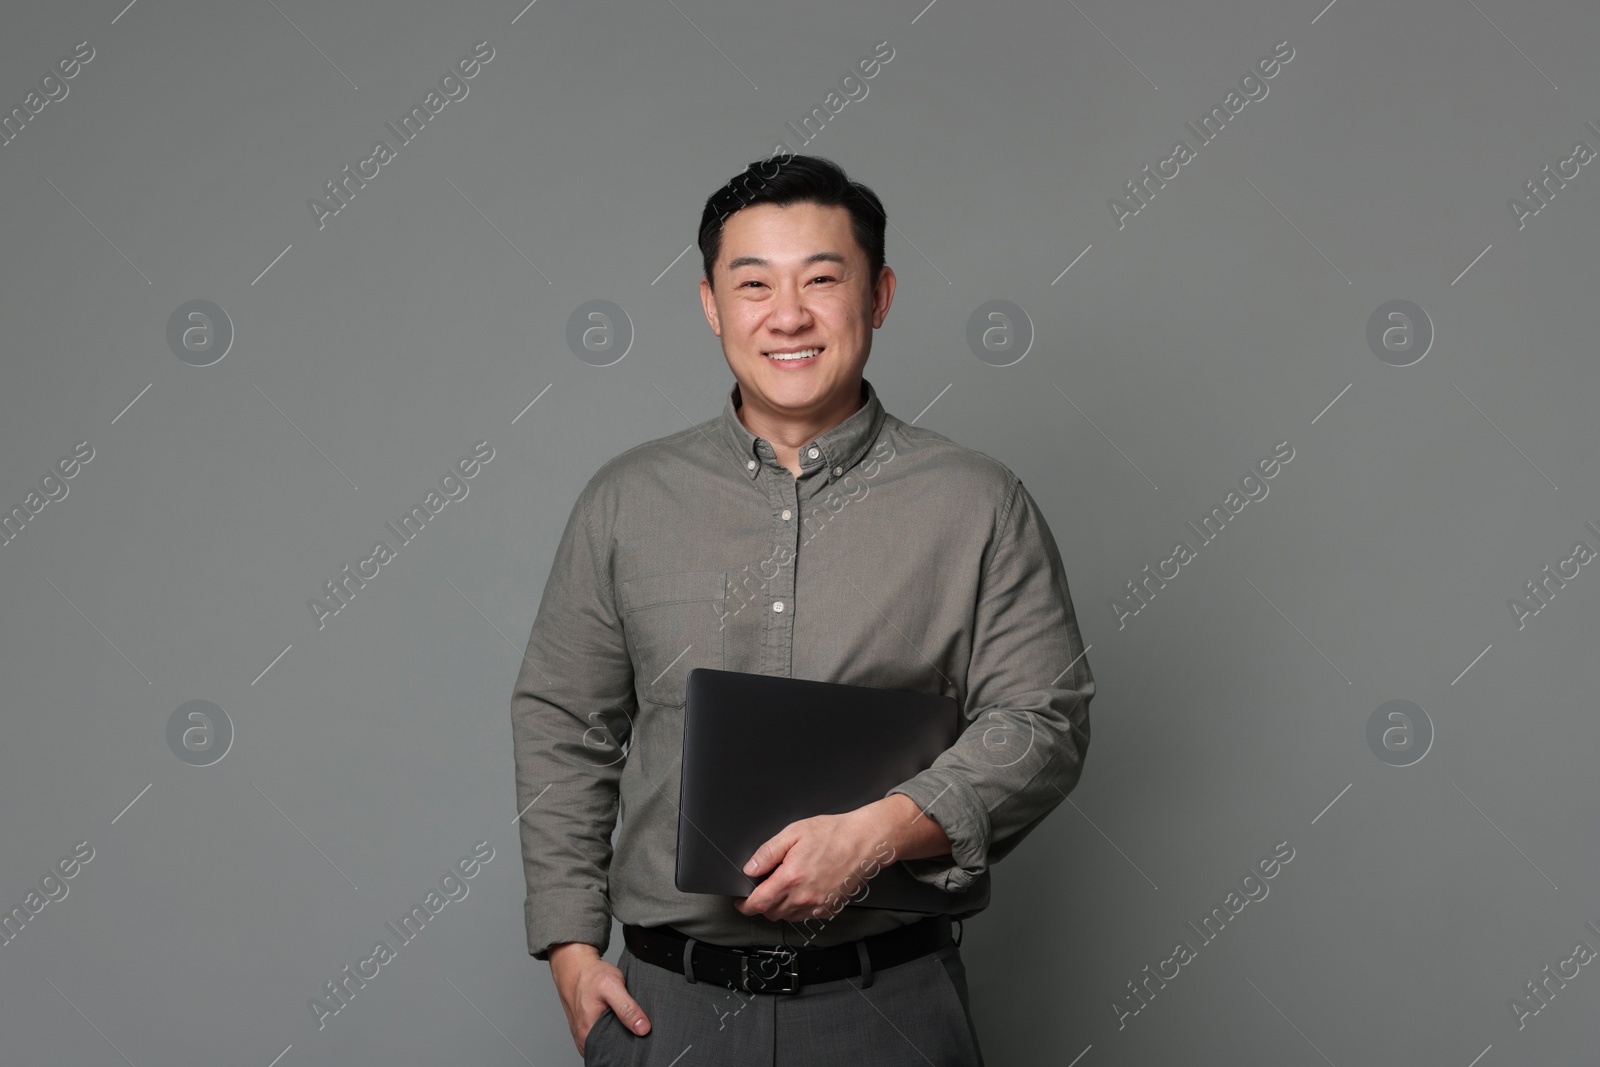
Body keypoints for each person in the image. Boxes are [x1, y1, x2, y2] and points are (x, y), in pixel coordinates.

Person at [509, 153, 1095, 1066]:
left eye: (823, 279)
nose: (788, 315)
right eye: (753, 284)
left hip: (889, 1009)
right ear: (711, 304)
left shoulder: (978, 502)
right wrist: (573, 953)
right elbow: (563, 720)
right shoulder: (626, 499)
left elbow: (1043, 722)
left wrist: (877, 834)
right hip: (665, 1013)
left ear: (881, 294)